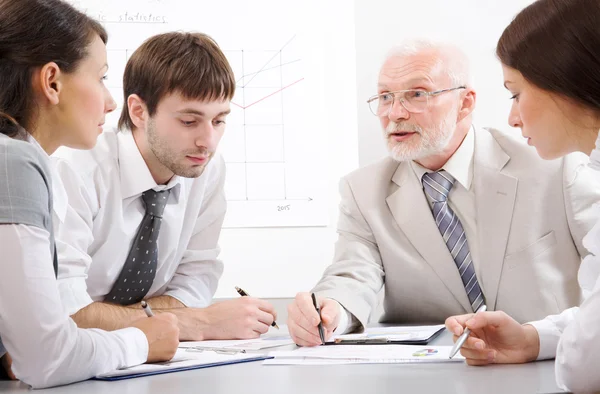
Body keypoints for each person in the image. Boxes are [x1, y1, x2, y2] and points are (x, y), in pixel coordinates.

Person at [286, 39, 600, 347]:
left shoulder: (556, 167)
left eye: (416, 94)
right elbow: (353, 274)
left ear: (465, 103)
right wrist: (331, 310)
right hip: (432, 373)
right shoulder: (363, 190)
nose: (395, 113)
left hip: (546, 363)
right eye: (384, 97)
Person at [0, 0, 179, 388]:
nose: (111, 101)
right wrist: (139, 340)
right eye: (100, 78)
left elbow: (25, 353)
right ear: (51, 82)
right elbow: (47, 359)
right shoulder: (13, 163)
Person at [53, 31, 277, 341]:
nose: (207, 142)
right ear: (138, 111)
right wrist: (199, 323)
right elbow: (66, 313)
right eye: (189, 121)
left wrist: (113, 318)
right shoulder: (74, 169)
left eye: (219, 120)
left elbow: (195, 282)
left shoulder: (207, 169)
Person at [444, 0, 600, 392]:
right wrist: (532, 338)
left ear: (566, 81)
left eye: (515, 94)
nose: (512, 117)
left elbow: (586, 368)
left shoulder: (565, 177)